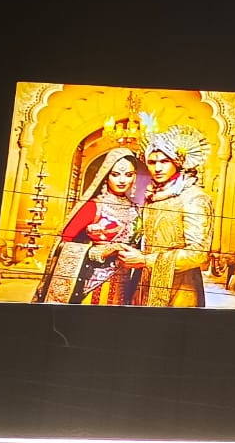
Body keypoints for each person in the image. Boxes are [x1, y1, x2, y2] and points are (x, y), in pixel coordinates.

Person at [119, 123, 214, 307]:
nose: (157, 168)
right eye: (152, 162)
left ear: (177, 163)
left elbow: (198, 254)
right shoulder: (152, 196)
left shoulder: (194, 197)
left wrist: (145, 260)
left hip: (180, 288)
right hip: (145, 282)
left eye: (164, 161)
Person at [32, 146, 142, 305]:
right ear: (106, 175)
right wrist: (97, 252)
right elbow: (62, 244)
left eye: (129, 175)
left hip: (126, 284)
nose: (122, 180)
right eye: (115, 174)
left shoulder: (136, 209)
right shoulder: (93, 207)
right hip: (92, 284)